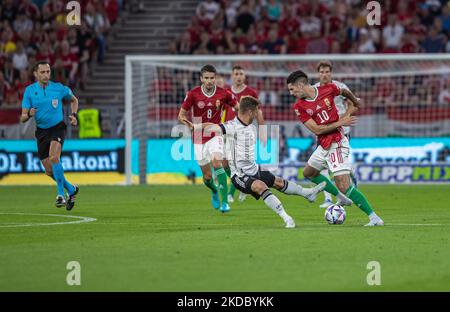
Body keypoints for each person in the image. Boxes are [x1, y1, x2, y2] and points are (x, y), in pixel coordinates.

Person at [183, 96, 326, 228]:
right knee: (261, 186)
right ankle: (287, 218)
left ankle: (308, 194)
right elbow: (213, 126)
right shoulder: (232, 126)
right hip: (239, 176)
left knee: (278, 182)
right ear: (250, 112)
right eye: (257, 111)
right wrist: (196, 127)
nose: (258, 114)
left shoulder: (251, 127)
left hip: (254, 169)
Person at [286, 70, 384, 226]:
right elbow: (317, 130)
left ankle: (374, 217)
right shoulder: (299, 106)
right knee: (309, 172)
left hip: (337, 142)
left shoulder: (328, 89)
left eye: (292, 89)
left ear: (300, 85)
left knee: (344, 185)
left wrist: (355, 101)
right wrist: (341, 121)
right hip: (324, 143)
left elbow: (344, 91)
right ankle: (340, 196)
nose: (291, 93)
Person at [178, 64, 238, 213]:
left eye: (212, 78)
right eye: (206, 78)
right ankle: (214, 190)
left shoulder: (224, 93)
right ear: (201, 79)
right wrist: (190, 125)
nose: (210, 81)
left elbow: (239, 107)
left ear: (215, 78)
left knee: (217, 162)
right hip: (198, 135)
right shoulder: (193, 94)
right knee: (207, 176)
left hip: (215, 133)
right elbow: (181, 115)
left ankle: (225, 203)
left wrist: (241, 122)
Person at [20, 61, 79, 210]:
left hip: (57, 128)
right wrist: (29, 114)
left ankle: (61, 195)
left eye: (48, 72)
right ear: (36, 74)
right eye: (43, 72)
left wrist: (73, 115)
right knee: (48, 171)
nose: (46, 75)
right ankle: (71, 189)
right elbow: (22, 117)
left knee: (54, 157)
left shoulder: (58, 88)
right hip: (41, 132)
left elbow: (74, 100)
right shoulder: (29, 91)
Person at [313, 60, 358, 208]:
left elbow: (354, 102)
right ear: (318, 73)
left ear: (331, 73)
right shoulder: (314, 90)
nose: (324, 75)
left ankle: (349, 175)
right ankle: (327, 198)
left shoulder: (340, 87)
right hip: (325, 131)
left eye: (327, 72)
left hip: (341, 131)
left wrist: (344, 116)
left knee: (337, 166)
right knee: (323, 165)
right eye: (322, 72)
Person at [223, 65, 266, 204]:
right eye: (236, 73)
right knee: (225, 164)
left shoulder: (251, 92)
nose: (239, 76)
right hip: (229, 130)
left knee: (239, 162)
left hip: (244, 133)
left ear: (244, 76)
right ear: (232, 76)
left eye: (241, 73)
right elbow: (222, 112)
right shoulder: (226, 92)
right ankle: (241, 186)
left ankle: (232, 191)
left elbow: (258, 112)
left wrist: (262, 131)